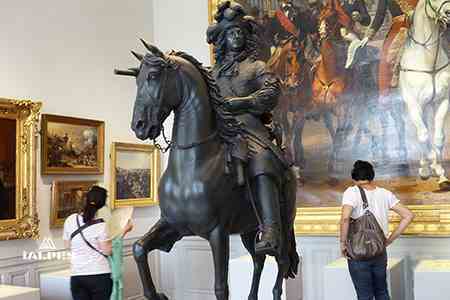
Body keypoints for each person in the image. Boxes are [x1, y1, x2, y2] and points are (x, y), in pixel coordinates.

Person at [207, 1, 287, 256]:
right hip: (218, 130)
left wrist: (243, 102)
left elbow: (272, 91)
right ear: (223, 38)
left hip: (249, 128)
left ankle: (271, 229)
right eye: (231, 32)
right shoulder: (212, 72)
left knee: (262, 160)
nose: (236, 36)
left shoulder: (257, 67)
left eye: (240, 32)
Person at [339, 160, 414, 299]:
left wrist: (343, 243)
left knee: (364, 295)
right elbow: (408, 215)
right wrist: (389, 240)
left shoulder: (352, 192)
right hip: (379, 251)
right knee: (382, 292)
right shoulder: (385, 193)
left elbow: (345, 219)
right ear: (371, 176)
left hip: (358, 252)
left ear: (354, 177)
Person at [63, 186, 132, 300]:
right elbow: (107, 250)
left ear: (86, 199)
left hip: (77, 276)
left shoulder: (70, 220)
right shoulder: (101, 226)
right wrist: (123, 231)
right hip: (99, 275)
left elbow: (67, 245)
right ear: (102, 205)